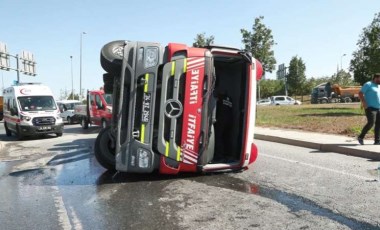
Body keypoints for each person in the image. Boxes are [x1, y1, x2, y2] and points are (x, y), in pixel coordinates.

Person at [358, 73, 380, 145]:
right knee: (371, 122)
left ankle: (377, 141)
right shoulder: (368, 84)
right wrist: (364, 103)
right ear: (376, 78)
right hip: (370, 107)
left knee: (378, 124)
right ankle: (361, 137)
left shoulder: (379, 86)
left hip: (378, 108)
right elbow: (360, 93)